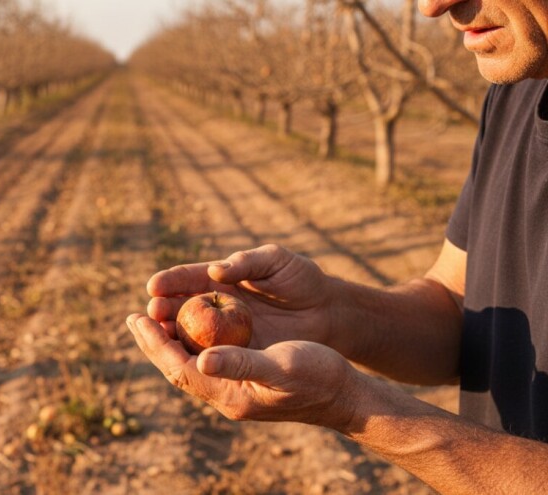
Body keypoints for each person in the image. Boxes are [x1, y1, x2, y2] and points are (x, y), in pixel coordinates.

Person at [126, 0, 548, 492]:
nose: (434, 6)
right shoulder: (517, 85)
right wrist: (331, 313)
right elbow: (466, 312)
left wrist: (355, 408)